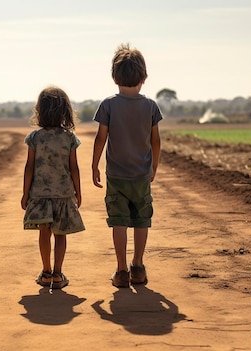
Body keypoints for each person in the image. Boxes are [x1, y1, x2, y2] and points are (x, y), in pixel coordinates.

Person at [91, 43, 163, 288]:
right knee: (142, 219)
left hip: (116, 176)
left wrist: (94, 165)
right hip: (141, 175)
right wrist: (154, 167)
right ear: (144, 77)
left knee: (119, 220)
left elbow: (101, 138)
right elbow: (156, 140)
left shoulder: (108, 105)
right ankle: (138, 266)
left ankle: (121, 270)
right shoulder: (151, 107)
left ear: (114, 77)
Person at [21, 86, 85, 289]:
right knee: (60, 234)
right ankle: (58, 274)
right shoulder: (69, 138)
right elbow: (74, 168)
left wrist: (25, 194)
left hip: (39, 194)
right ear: (65, 111)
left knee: (44, 232)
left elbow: (29, 167)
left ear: (40, 110)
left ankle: (46, 272)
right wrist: (78, 192)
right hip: (64, 194)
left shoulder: (35, 137)